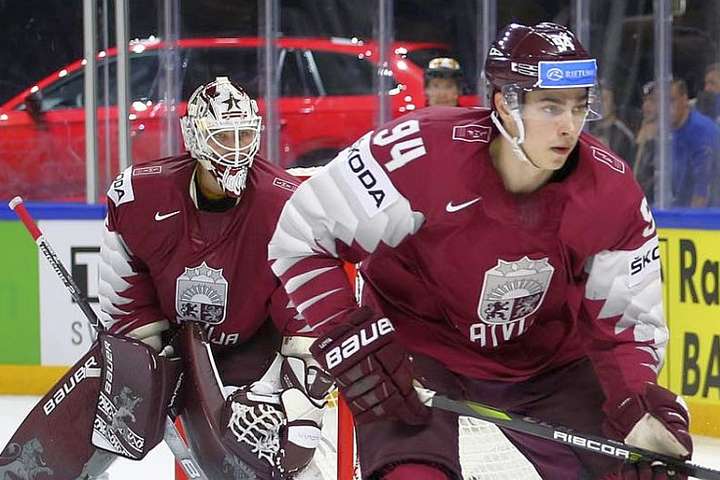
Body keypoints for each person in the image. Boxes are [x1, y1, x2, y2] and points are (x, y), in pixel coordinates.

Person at [268, 22, 692, 480]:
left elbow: (627, 326)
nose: (569, 126)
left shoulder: (611, 191)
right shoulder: (418, 154)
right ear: (505, 103)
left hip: (547, 362)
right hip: (415, 353)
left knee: (626, 474)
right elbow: (301, 233)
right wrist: (348, 335)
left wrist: (637, 403)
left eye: (578, 106)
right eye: (550, 106)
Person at [0, 77, 333, 480]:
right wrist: (143, 355)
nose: (236, 149)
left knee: (278, 453)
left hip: (251, 350)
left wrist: (296, 404)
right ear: (194, 137)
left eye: (244, 135)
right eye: (223, 137)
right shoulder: (140, 195)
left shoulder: (287, 204)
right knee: (113, 394)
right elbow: (127, 289)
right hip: (170, 346)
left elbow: (305, 315)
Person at [669, 78, 720, 207]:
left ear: (684, 99)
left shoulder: (701, 131)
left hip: (707, 215)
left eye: (671, 101)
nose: (665, 108)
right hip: (677, 209)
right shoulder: (666, 132)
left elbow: (702, 192)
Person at [588, 83, 635, 164]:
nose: (599, 104)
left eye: (604, 99)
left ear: (614, 103)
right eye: (598, 99)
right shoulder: (590, 130)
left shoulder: (623, 135)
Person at [633, 80, 658, 204]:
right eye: (645, 101)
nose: (646, 106)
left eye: (652, 101)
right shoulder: (636, 131)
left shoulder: (669, 137)